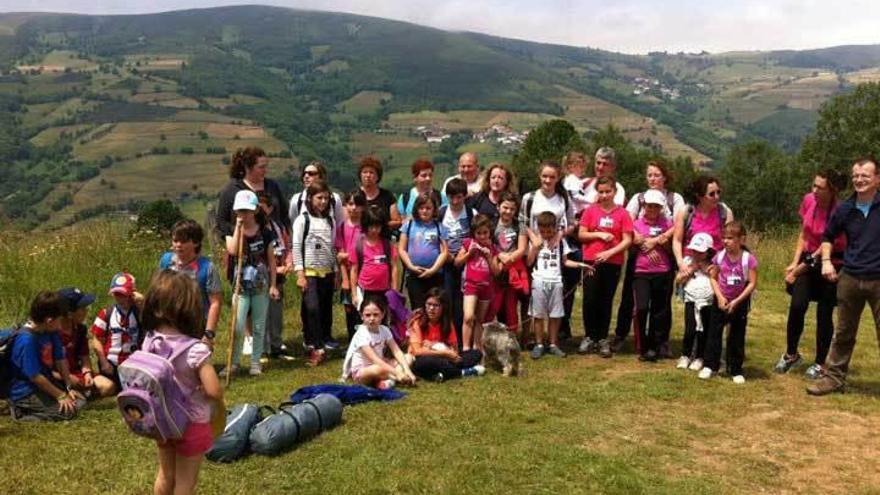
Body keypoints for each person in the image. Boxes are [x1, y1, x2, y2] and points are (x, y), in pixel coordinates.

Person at [142, 270, 223, 495]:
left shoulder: (150, 341)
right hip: (192, 422)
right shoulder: (195, 349)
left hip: (162, 421)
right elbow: (214, 391)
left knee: (165, 476)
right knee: (185, 484)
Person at [808, 157, 880, 396]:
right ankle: (834, 379)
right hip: (849, 278)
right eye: (856, 176)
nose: (859, 180)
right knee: (843, 333)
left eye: (865, 176)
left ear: (877, 179)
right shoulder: (846, 209)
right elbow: (827, 237)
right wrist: (826, 262)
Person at [775, 170, 846, 379]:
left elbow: (824, 247)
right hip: (808, 259)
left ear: (831, 190)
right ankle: (791, 354)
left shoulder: (839, 212)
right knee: (797, 305)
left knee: (824, 314)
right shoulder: (808, 201)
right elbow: (804, 233)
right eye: (813, 185)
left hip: (831, 263)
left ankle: (821, 362)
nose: (814, 190)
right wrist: (794, 262)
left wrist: (797, 270)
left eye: (820, 187)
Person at [615, 161, 685, 353]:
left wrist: (658, 240)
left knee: (663, 302)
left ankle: (661, 341)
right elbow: (627, 221)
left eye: (657, 175)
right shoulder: (639, 198)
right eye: (649, 175)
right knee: (630, 299)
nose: (652, 179)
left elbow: (679, 223)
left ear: (665, 177)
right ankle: (621, 335)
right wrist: (644, 243)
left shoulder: (674, 198)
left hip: (665, 254)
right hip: (639, 255)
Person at [223, 190, 279, 377]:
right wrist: (238, 229)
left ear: (255, 210)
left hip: (261, 285)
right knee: (237, 326)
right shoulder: (232, 231)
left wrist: (273, 285)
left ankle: (255, 362)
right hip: (240, 286)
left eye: (246, 210)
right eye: (239, 211)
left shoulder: (266, 233)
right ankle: (234, 362)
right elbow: (232, 250)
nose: (243, 214)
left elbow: (271, 260)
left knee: (258, 325)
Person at [519, 161, 576, 342]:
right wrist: (533, 239)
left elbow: (572, 223)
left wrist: (560, 234)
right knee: (531, 295)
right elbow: (522, 221)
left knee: (556, 294)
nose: (548, 180)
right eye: (545, 176)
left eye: (552, 176)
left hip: (556, 251)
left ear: (557, 178)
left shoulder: (563, 198)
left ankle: (554, 338)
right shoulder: (529, 197)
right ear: (539, 176)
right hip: (535, 250)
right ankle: (529, 337)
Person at [8, 291, 87, 421]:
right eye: (59, 320)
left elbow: (60, 360)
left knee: (80, 401)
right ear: (49, 321)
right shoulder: (27, 340)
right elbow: (35, 377)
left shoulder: (51, 331)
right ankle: (21, 413)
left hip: (45, 384)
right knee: (69, 411)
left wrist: (68, 387)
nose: (61, 323)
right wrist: (60, 395)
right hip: (26, 392)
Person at [578, 177, 633, 358]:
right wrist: (600, 235)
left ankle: (602, 338)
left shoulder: (623, 214)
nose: (604, 195)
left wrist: (610, 253)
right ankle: (589, 336)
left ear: (614, 192)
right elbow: (582, 234)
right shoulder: (590, 211)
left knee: (606, 300)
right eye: (600, 192)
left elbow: (627, 240)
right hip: (591, 261)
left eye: (607, 191)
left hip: (613, 263)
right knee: (590, 299)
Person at [527, 212, 591, 359]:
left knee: (555, 315)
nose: (546, 234)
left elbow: (566, 261)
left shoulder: (561, 242)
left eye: (549, 231)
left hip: (556, 281)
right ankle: (539, 344)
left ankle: (553, 344)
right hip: (539, 280)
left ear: (555, 228)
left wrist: (581, 265)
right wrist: (534, 248)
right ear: (539, 229)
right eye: (543, 231)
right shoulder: (536, 241)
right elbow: (529, 262)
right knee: (538, 314)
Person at [700, 222, 758, 383]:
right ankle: (710, 365)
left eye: (730, 238)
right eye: (724, 238)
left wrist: (738, 301)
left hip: (739, 302)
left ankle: (736, 369)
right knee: (714, 333)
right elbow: (713, 277)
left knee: (737, 336)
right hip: (721, 300)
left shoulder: (748, 259)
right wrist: (719, 297)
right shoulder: (719, 257)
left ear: (741, 239)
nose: (725, 241)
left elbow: (752, 283)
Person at [292, 181, 338, 367]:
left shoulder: (330, 221)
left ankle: (321, 340)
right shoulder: (303, 220)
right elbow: (296, 246)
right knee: (312, 308)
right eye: (319, 198)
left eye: (326, 198)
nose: (323, 202)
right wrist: (300, 274)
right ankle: (315, 346)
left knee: (326, 308)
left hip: (327, 271)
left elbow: (333, 247)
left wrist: (335, 271)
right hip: (309, 271)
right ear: (310, 199)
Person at [159, 219, 223, 351]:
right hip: (169, 321)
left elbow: (215, 302)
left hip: (196, 323)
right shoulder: (166, 261)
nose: (178, 245)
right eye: (175, 241)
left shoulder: (207, 267)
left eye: (183, 241)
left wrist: (209, 334)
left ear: (196, 242)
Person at [630, 190, 675, 362]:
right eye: (650, 205)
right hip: (641, 272)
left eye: (656, 206)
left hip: (662, 271)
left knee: (659, 311)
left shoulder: (667, 224)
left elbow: (672, 248)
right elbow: (634, 241)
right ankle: (643, 345)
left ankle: (655, 347)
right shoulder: (636, 224)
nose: (653, 209)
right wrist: (645, 246)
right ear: (644, 206)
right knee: (641, 308)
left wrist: (663, 244)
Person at [408, 288, 486, 382]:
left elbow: (454, 351)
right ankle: (461, 372)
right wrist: (443, 353)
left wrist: (435, 346)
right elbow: (417, 352)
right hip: (423, 359)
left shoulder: (447, 323)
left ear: (443, 307)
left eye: (436, 305)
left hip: (444, 358)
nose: (431, 308)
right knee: (425, 362)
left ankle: (440, 374)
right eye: (428, 304)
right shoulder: (418, 322)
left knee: (476, 353)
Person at [341, 296, 416, 389]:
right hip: (363, 371)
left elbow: (396, 351)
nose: (372, 318)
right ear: (361, 316)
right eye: (367, 315)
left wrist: (408, 371)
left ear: (383, 315)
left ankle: (391, 380)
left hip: (382, 364)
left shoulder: (384, 330)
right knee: (379, 369)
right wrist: (397, 372)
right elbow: (374, 359)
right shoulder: (361, 334)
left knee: (408, 357)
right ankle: (397, 378)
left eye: (376, 315)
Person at [216, 147, 290, 239]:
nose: (265, 170)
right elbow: (221, 222)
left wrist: (286, 234)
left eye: (265, 166)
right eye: (261, 167)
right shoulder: (232, 190)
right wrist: (240, 233)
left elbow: (284, 214)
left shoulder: (272, 186)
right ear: (248, 168)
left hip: (277, 244)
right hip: (244, 246)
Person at [90, 272, 143, 395]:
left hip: (134, 364)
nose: (119, 298)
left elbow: (154, 323)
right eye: (116, 294)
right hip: (111, 364)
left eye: (123, 294)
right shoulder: (106, 313)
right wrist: (103, 362)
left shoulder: (140, 312)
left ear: (132, 293)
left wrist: (143, 302)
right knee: (111, 388)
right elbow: (96, 339)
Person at [257, 193, 294, 361]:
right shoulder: (255, 229)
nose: (258, 209)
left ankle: (276, 346)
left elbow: (287, 246)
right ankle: (262, 349)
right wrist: (274, 269)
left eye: (262, 205)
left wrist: (288, 262)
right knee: (261, 313)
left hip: (278, 278)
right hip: (261, 278)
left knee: (276, 314)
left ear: (270, 208)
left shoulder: (277, 227)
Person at [456, 214, 501, 351]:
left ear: (490, 232)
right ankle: (465, 348)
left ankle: (477, 348)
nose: (482, 236)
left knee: (480, 319)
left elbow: (496, 272)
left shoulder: (492, 248)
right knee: (469, 316)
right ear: (473, 233)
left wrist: (488, 256)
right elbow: (457, 262)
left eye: (485, 233)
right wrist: (469, 254)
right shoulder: (469, 243)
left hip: (486, 287)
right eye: (479, 233)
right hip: (471, 285)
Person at [440, 178, 477, 342]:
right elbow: (437, 237)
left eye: (459, 197)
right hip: (446, 264)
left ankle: (463, 340)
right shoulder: (441, 212)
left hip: (466, 263)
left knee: (464, 302)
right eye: (451, 197)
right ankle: (449, 337)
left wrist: (463, 256)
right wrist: (447, 256)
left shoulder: (471, 213)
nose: (455, 201)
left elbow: (477, 237)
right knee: (447, 300)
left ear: (465, 196)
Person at [672, 175, 734, 270]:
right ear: (699, 196)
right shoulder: (686, 212)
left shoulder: (724, 212)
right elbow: (677, 240)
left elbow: (731, 240)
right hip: (690, 263)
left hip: (716, 263)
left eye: (718, 192)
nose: (716, 197)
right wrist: (680, 263)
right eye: (711, 194)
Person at [488, 192, 529, 334]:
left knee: (511, 307)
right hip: (496, 270)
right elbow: (489, 245)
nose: (508, 212)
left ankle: (511, 337)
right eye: (505, 207)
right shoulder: (491, 225)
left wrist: (509, 259)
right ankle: (491, 337)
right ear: (498, 207)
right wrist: (500, 255)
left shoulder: (520, 225)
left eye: (512, 209)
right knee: (494, 306)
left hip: (513, 272)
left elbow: (522, 249)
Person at [399, 193, 447, 312]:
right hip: (414, 275)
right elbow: (401, 249)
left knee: (434, 308)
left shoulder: (439, 227)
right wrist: (410, 266)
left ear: (434, 209)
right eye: (421, 208)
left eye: (428, 208)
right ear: (416, 208)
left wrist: (433, 270)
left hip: (435, 275)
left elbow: (444, 252)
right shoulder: (409, 225)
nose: (424, 211)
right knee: (418, 309)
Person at [675, 233, 716, 372]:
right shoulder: (687, 261)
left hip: (707, 301)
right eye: (694, 251)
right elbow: (678, 280)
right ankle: (685, 355)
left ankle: (700, 357)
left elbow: (716, 279)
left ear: (708, 251)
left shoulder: (713, 264)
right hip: (691, 300)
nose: (697, 254)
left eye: (700, 252)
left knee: (703, 330)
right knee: (690, 328)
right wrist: (691, 270)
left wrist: (706, 269)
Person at [54, 287, 104, 397]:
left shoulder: (80, 329)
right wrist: (67, 378)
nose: (86, 311)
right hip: (57, 378)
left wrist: (87, 373)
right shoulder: (51, 333)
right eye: (82, 308)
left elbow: (84, 356)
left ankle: (81, 394)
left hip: (77, 374)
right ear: (69, 314)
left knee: (108, 386)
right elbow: (43, 371)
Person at [350, 208, 401, 309]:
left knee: (383, 320)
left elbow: (394, 267)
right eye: (371, 226)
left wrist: (394, 291)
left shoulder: (387, 245)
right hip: (365, 290)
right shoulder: (358, 245)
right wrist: (354, 293)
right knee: (367, 319)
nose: (374, 230)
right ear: (365, 225)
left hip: (384, 290)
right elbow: (354, 270)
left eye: (377, 226)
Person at [336, 190, 367, 340]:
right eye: (351, 204)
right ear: (346, 205)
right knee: (349, 308)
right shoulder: (342, 227)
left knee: (365, 307)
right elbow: (340, 255)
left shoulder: (367, 226)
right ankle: (352, 339)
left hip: (366, 273)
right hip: (348, 272)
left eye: (358, 204)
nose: (354, 208)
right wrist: (345, 280)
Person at [288, 161, 344, 227]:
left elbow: (339, 225)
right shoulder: (297, 200)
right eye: (304, 174)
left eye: (311, 174)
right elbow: (293, 225)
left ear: (321, 176)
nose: (306, 176)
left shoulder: (334, 199)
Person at [358, 156, 400, 232]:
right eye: (365, 172)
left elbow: (397, 221)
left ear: (378, 176)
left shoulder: (387, 196)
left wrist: (379, 225)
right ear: (360, 175)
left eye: (371, 172)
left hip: (383, 239)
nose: (368, 175)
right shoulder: (354, 196)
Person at [392, 158, 441, 225]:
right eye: (424, 176)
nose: (428, 178)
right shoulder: (405, 197)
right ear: (415, 178)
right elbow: (401, 222)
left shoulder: (439, 196)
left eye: (430, 175)